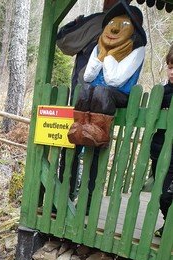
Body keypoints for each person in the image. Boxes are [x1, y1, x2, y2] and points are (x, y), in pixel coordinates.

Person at [57, 0, 126, 200]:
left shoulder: (98, 22)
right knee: (92, 148)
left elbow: (64, 41)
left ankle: (64, 199)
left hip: (86, 95)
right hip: (107, 99)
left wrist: (75, 24)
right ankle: (86, 202)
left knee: (74, 144)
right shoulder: (134, 28)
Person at [68, 1, 146, 148]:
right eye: (112, 23)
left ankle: (99, 130)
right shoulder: (99, 47)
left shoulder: (137, 50)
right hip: (96, 92)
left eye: (124, 24)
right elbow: (88, 77)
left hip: (119, 94)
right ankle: (80, 126)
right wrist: (101, 54)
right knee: (85, 89)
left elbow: (114, 80)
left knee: (102, 92)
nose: (115, 28)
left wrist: (110, 55)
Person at [150, 44, 173, 238]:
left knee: (167, 195)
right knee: (160, 194)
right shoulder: (162, 94)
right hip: (161, 152)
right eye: (170, 67)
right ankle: (168, 223)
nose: (172, 72)